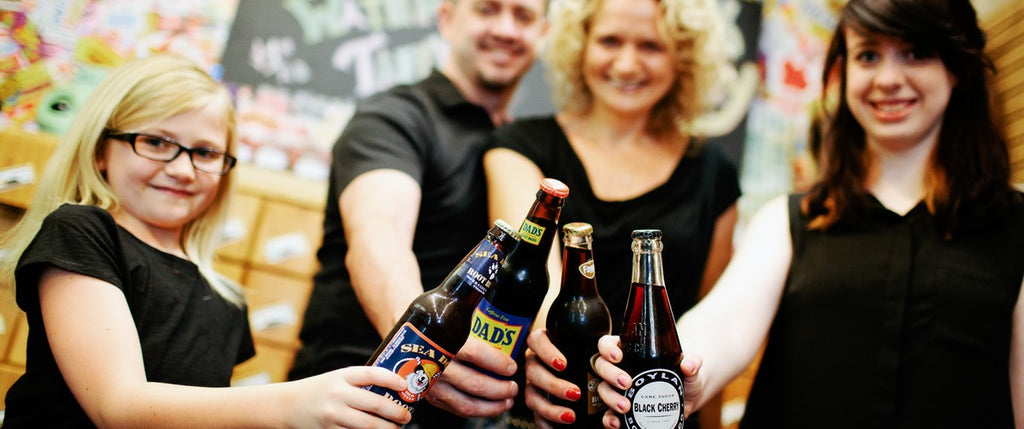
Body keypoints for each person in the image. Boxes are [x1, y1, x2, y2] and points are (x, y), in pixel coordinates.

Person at [588, 0, 1024, 427]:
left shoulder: (1014, 222)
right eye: (868, 55)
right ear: (842, 73)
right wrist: (675, 370)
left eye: (916, 53)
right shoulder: (789, 220)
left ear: (957, 68)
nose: (889, 78)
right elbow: (722, 324)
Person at [0, 54, 412, 428]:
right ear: (101, 151)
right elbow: (118, 407)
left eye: (206, 152)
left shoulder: (226, 299)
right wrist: (292, 404)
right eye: (157, 142)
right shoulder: (82, 232)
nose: (183, 169)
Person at [288, 0, 549, 425]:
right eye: (487, 9)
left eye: (523, 16)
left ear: (543, 32)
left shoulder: (523, 147)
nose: (506, 28)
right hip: (357, 397)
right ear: (446, 19)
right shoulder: (393, 117)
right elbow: (379, 236)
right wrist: (425, 343)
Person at [482, 0, 739, 426]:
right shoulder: (520, 146)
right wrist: (568, 356)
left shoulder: (714, 172)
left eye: (651, 46)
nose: (626, 64)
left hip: (664, 414)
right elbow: (535, 284)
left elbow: (712, 317)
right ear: (579, 46)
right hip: (556, 408)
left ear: (684, 57)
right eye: (609, 41)